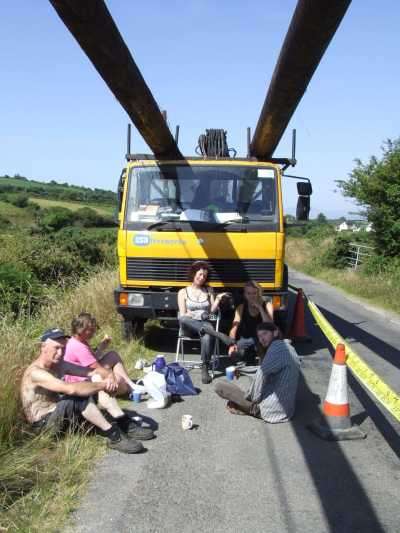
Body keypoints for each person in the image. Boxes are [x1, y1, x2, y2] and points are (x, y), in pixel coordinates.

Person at [21, 328, 154, 454]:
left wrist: (109, 375)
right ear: (43, 347)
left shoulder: (59, 364)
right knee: (78, 395)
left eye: (63, 348)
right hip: (44, 427)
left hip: (59, 415)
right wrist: (102, 385)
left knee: (95, 379)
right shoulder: (36, 372)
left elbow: (92, 371)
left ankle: (123, 421)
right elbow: (71, 389)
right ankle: (114, 436)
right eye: (56, 348)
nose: (60, 353)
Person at [215, 322, 300, 423]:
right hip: (287, 410)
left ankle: (250, 409)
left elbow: (261, 373)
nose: (262, 339)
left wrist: (252, 399)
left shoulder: (276, 347)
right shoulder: (287, 347)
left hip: (270, 410)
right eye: (259, 336)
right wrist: (240, 370)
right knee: (241, 392)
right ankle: (241, 405)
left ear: (275, 332)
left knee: (220, 386)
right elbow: (262, 369)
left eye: (265, 334)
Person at [177, 261, 238, 384]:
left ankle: (205, 367)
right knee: (182, 318)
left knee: (207, 334)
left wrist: (218, 299)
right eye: (199, 274)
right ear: (193, 274)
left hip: (205, 322)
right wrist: (196, 315)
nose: (201, 278)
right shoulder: (183, 292)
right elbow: (183, 314)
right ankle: (219, 335)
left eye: (204, 276)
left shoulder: (209, 290)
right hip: (189, 325)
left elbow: (211, 314)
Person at [63, 313, 134, 407]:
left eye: (94, 329)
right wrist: (111, 376)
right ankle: (128, 389)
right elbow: (97, 368)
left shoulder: (80, 340)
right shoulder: (79, 346)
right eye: (91, 330)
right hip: (81, 380)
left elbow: (92, 360)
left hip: (87, 372)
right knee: (119, 380)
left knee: (113, 355)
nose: (94, 332)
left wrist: (101, 347)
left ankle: (131, 384)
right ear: (81, 330)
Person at [228, 281, 274, 364]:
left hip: (263, 339)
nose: (252, 296)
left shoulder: (267, 305)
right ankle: (249, 356)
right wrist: (231, 344)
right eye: (249, 293)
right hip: (246, 339)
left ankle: (263, 366)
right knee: (233, 356)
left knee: (262, 349)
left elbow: (270, 325)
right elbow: (234, 328)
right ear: (245, 295)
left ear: (259, 293)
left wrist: (260, 308)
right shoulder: (241, 307)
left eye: (254, 293)